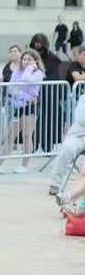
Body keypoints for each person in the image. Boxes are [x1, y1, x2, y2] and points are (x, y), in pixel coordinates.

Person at [0, 50, 45, 173]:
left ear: (36, 62)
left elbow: (26, 79)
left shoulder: (38, 73)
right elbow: (11, 88)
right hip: (19, 105)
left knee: (27, 136)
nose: (26, 62)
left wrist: (30, 69)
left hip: (30, 108)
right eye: (24, 59)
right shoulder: (17, 71)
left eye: (29, 60)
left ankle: (24, 165)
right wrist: (25, 96)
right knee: (10, 135)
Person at [50, 70, 85, 201]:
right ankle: (55, 184)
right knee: (67, 148)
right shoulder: (83, 98)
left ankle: (68, 199)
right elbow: (82, 118)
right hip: (78, 135)